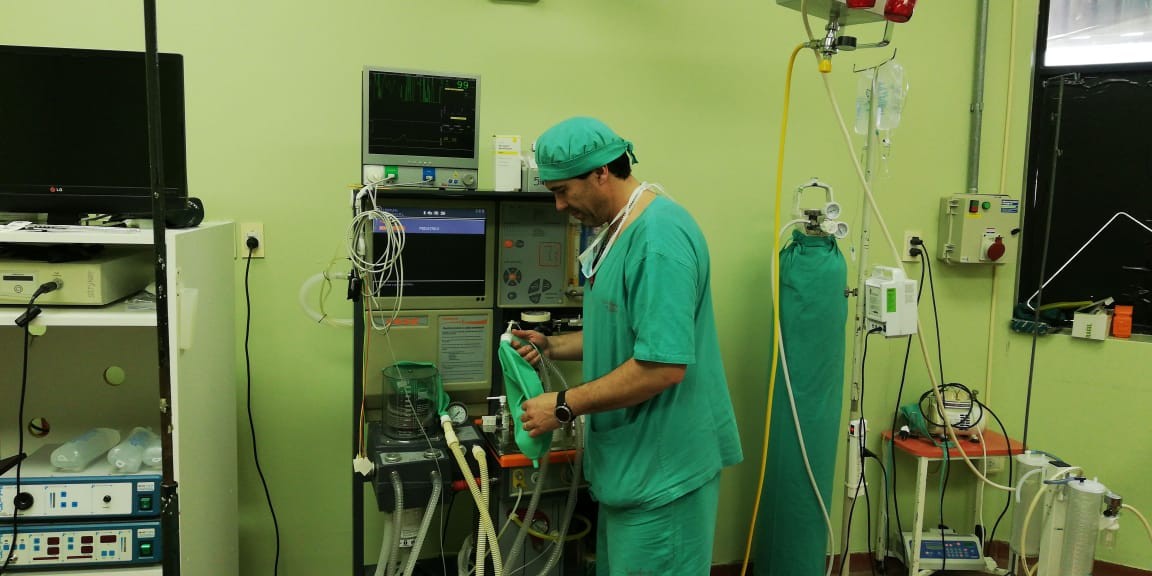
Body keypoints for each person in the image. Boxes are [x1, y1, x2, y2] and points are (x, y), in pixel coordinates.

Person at [513, 117, 743, 575]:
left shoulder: (658, 240)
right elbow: (625, 332)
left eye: (563, 191)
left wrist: (563, 405)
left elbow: (662, 366)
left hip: (664, 475)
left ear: (601, 172)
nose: (559, 206)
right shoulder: (620, 231)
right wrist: (552, 346)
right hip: (631, 469)